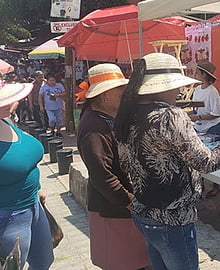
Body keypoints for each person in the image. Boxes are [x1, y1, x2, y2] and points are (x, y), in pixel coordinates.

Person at [113, 53, 220, 270]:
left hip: (143, 213)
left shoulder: (126, 115)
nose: (179, 91)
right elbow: (206, 162)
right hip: (173, 219)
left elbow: (126, 165)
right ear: (162, 87)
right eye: (176, 86)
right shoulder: (170, 116)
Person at [77, 63, 151, 270]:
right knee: (122, 262)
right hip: (114, 207)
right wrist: (130, 202)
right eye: (120, 89)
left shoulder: (106, 117)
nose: (125, 94)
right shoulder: (94, 128)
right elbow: (102, 175)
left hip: (122, 206)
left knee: (133, 261)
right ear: (104, 96)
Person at [0, 82, 54, 269]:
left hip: (34, 204)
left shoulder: (6, 121)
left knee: (43, 261)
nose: (8, 102)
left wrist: (37, 187)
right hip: (9, 215)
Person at [189, 60, 220, 198]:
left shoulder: (212, 92)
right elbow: (195, 109)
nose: (195, 74)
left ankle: (216, 186)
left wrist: (198, 118)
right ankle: (200, 183)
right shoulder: (197, 89)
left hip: (212, 129)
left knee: (214, 158)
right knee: (199, 157)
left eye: (198, 72)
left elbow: (216, 113)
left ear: (204, 75)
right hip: (199, 128)